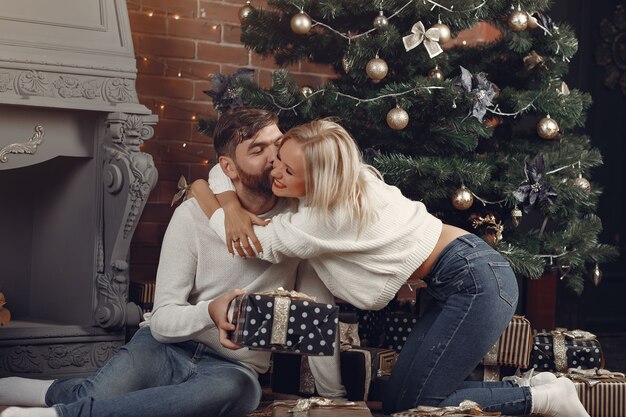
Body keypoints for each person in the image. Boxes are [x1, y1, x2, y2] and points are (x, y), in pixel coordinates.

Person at [190, 119, 590, 417]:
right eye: (276, 160)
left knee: (419, 406)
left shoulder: (321, 221)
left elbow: (246, 244)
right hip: (460, 277)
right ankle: (534, 385)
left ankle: (544, 398)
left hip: (476, 281)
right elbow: (221, 170)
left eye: (287, 171)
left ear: (321, 177)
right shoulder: (350, 177)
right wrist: (225, 200)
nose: (274, 172)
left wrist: (202, 197)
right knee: (401, 402)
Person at [0, 108, 345, 417]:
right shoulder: (192, 217)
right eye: (258, 149)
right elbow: (163, 320)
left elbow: (319, 318)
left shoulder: (299, 226)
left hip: (234, 368)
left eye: (277, 143)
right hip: (164, 346)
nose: (274, 158)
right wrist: (210, 311)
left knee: (239, 393)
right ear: (228, 168)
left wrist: (336, 398)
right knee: (96, 394)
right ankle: (31, 392)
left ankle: (61, 414)